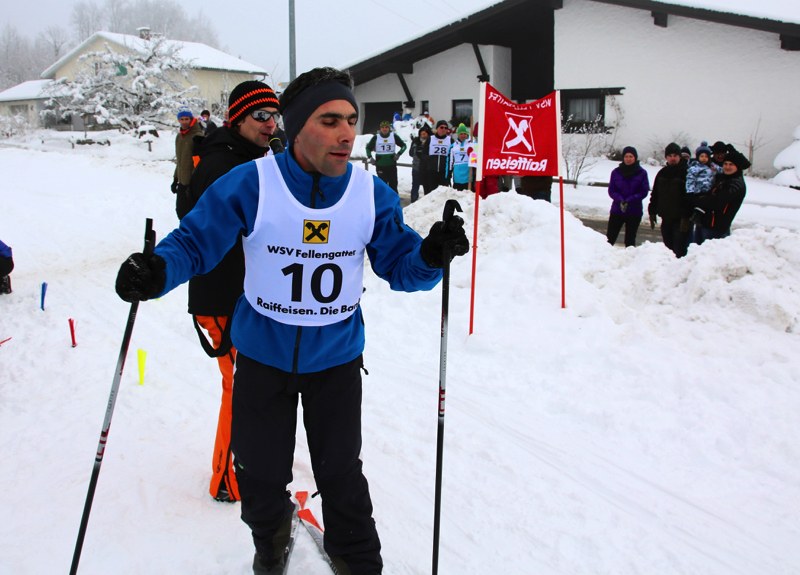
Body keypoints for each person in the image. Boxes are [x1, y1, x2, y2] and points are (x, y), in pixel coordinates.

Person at [114, 66, 469, 575]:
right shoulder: (252, 183)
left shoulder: (370, 194)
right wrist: (156, 271)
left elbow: (401, 265)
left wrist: (431, 256)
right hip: (262, 358)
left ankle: (357, 563)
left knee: (342, 476)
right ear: (297, 126)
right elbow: (195, 241)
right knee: (258, 476)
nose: (346, 133)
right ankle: (272, 539)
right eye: (330, 120)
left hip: (336, 361)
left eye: (351, 120)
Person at [178, 80, 283, 504]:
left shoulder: (251, 157)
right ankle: (227, 478)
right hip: (224, 298)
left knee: (256, 388)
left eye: (274, 115)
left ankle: (252, 463)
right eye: (260, 116)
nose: (270, 123)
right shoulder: (223, 165)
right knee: (242, 389)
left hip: (246, 298)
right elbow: (199, 232)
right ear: (237, 118)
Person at [688, 145, 750, 243]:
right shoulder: (722, 178)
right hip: (704, 223)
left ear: (737, 167)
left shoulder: (736, 184)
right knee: (696, 251)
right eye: (725, 164)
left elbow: (716, 202)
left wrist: (696, 200)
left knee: (710, 252)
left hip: (716, 228)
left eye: (731, 164)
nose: (727, 167)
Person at [648, 142, 689, 257]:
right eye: (670, 156)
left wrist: (686, 216)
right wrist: (652, 211)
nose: (672, 158)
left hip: (680, 220)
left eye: (675, 156)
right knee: (668, 249)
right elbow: (655, 194)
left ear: (679, 156)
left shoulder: (686, 172)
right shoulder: (662, 173)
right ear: (666, 157)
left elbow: (690, 197)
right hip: (666, 217)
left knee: (679, 250)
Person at [606, 145, 650, 247]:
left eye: (631, 156)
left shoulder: (642, 173)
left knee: (630, 240)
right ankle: (604, 256)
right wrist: (620, 199)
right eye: (626, 156)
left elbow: (643, 191)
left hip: (634, 210)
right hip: (617, 209)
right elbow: (611, 190)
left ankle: (630, 256)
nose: (628, 159)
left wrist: (630, 200)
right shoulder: (616, 172)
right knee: (610, 238)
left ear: (635, 158)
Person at [172, 107, 204, 217]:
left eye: (187, 119)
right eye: (182, 119)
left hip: (192, 183)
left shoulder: (197, 136)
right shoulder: (179, 137)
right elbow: (180, 160)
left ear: (191, 119)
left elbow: (199, 162)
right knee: (180, 211)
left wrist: (194, 182)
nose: (184, 122)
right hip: (182, 182)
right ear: (178, 120)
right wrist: (175, 179)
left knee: (191, 213)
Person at [365, 120, 407, 192]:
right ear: (380, 128)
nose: (384, 129)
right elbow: (368, 148)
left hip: (392, 166)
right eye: (383, 127)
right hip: (380, 166)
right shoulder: (376, 137)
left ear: (389, 128)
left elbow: (404, 146)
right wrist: (370, 157)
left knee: (393, 187)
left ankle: (393, 199)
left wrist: (398, 154)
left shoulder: (393, 136)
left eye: (386, 127)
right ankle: (383, 199)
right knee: (383, 187)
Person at [424, 120, 452, 195]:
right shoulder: (430, 139)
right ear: (437, 128)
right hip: (432, 172)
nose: (443, 129)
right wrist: (429, 161)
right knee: (431, 193)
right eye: (441, 127)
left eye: (446, 128)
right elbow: (424, 153)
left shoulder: (450, 140)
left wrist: (449, 171)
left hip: (444, 173)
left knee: (443, 194)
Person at [408, 125, 431, 203]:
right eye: (421, 134)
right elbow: (411, 153)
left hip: (426, 168)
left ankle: (427, 202)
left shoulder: (431, 141)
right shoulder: (416, 141)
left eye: (424, 134)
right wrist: (416, 151)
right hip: (416, 167)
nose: (423, 135)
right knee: (415, 185)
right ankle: (413, 201)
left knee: (427, 186)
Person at [446, 123, 472, 191]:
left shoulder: (471, 145)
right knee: (458, 194)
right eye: (461, 134)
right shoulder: (453, 146)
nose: (463, 135)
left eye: (464, 134)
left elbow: (476, 159)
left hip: (468, 174)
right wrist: (449, 173)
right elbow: (450, 161)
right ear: (458, 134)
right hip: (457, 175)